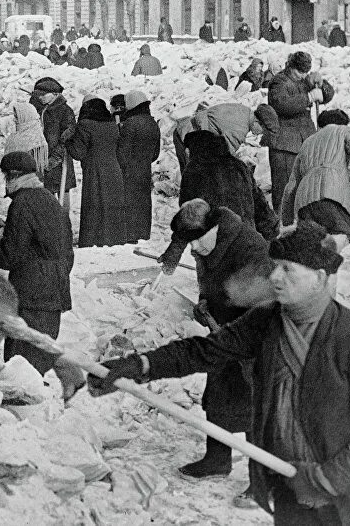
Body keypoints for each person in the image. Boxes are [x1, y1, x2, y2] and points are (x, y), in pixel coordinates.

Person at [93, 222, 350, 525]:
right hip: (290, 484)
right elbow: (204, 351)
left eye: (288, 269)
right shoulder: (268, 321)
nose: (276, 276)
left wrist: (325, 479)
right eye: (276, 266)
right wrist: (139, 365)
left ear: (320, 278)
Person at [156, 200, 271, 488]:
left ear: (211, 230)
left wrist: (242, 334)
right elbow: (211, 283)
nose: (192, 249)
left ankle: (263, 478)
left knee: (254, 405)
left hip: (250, 338)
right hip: (223, 336)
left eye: (195, 242)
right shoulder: (209, 242)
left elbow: (265, 300)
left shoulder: (249, 247)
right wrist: (205, 303)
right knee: (218, 399)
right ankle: (217, 459)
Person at [0, 151, 82, 396]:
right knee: (41, 346)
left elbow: (10, 256)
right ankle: (64, 383)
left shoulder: (21, 204)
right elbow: (62, 247)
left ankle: (34, 399)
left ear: (12, 176)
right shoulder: (50, 200)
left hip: (30, 292)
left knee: (22, 360)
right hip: (55, 287)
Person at [280, 109, 350, 250]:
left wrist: (286, 220)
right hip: (332, 194)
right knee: (341, 236)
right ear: (344, 124)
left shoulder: (307, 143)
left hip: (303, 201)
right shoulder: (344, 131)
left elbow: (291, 186)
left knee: (312, 245)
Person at [179, 129, 279, 241]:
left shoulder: (194, 170)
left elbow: (188, 213)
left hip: (214, 242)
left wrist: (175, 251)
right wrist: (271, 230)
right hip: (245, 238)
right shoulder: (238, 165)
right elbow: (258, 202)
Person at [264, 51, 334, 211]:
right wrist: (308, 98)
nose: (302, 76)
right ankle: (282, 226)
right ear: (290, 67)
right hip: (284, 146)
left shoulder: (304, 81)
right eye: (299, 72)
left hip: (304, 143)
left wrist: (321, 84)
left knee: (304, 188)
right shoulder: (279, 82)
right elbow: (282, 104)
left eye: (305, 72)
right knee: (284, 190)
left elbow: (328, 96)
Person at [64, 96, 127, 247]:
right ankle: (114, 239)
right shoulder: (112, 123)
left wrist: (67, 141)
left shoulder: (85, 124)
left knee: (94, 207)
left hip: (95, 171)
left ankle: (92, 241)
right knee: (111, 207)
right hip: (114, 169)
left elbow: (78, 152)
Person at [118, 91, 161, 243]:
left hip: (129, 170)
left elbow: (123, 151)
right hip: (144, 168)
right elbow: (156, 153)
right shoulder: (153, 122)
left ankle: (130, 234)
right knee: (144, 201)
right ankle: (143, 232)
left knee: (129, 201)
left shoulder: (130, 123)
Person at [31, 78, 77, 197]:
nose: (40, 97)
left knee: (63, 192)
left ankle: (64, 215)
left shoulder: (65, 111)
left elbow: (67, 136)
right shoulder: (42, 110)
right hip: (45, 159)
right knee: (47, 194)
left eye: (44, 94)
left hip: (61, 160)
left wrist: (55, 158)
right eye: (38, 95)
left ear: (55, 94)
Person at [4, 101, 49, 178]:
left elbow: (38, 169)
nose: (14, 120)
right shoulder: (13, 137)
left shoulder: (37, 141)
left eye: (17, 117)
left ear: (26, 117)